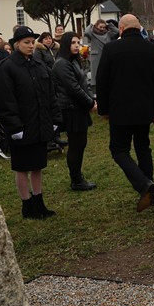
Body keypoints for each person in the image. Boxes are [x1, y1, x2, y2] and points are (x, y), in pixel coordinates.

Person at [97, 14, 154, 212]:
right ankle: (149, 193)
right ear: (139, 27)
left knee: (119, 150)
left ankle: (144, 184)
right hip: (145, 110)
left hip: (119, 109)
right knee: (143, 147)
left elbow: (102, 81)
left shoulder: (111, 49)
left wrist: (103, 110)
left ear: (121, 29)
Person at [0, 26, 62, 219]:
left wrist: (55, 118)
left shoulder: (38, 65)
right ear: (17, 44)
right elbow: (4, 100)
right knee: (22, 167)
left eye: (32, 42)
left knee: (37, 165)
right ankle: (27, 204)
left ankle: (39, 202)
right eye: (26, 42)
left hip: (39, 123)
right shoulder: (6, 68)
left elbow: (51, 94)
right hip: (21, 126)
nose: (31, 46)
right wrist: (14, 126)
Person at [52, 31, 97, 191]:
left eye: (78, 42)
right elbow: (73, 89)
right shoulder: (62, 64)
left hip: (78, 107)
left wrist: (91, 99)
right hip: (71, 109)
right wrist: (90, 103)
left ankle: (77, 177)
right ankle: (76, 180)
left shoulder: (73, 61)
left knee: (80, 143)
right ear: (65, 44)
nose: (77, 45)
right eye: (73, 43)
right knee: (76, 145)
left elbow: (83, 84)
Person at [83, 18, 117, 91]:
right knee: (96, 75)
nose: (102, 29)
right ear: (96, 26)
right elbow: (86, 32)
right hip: (96, 57)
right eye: (100, 27)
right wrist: (91, 25)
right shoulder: (92, 34)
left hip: (106, 56)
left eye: (104, 27)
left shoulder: (108, 34)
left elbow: (116, 31)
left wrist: (109, 24)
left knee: (107, 73)